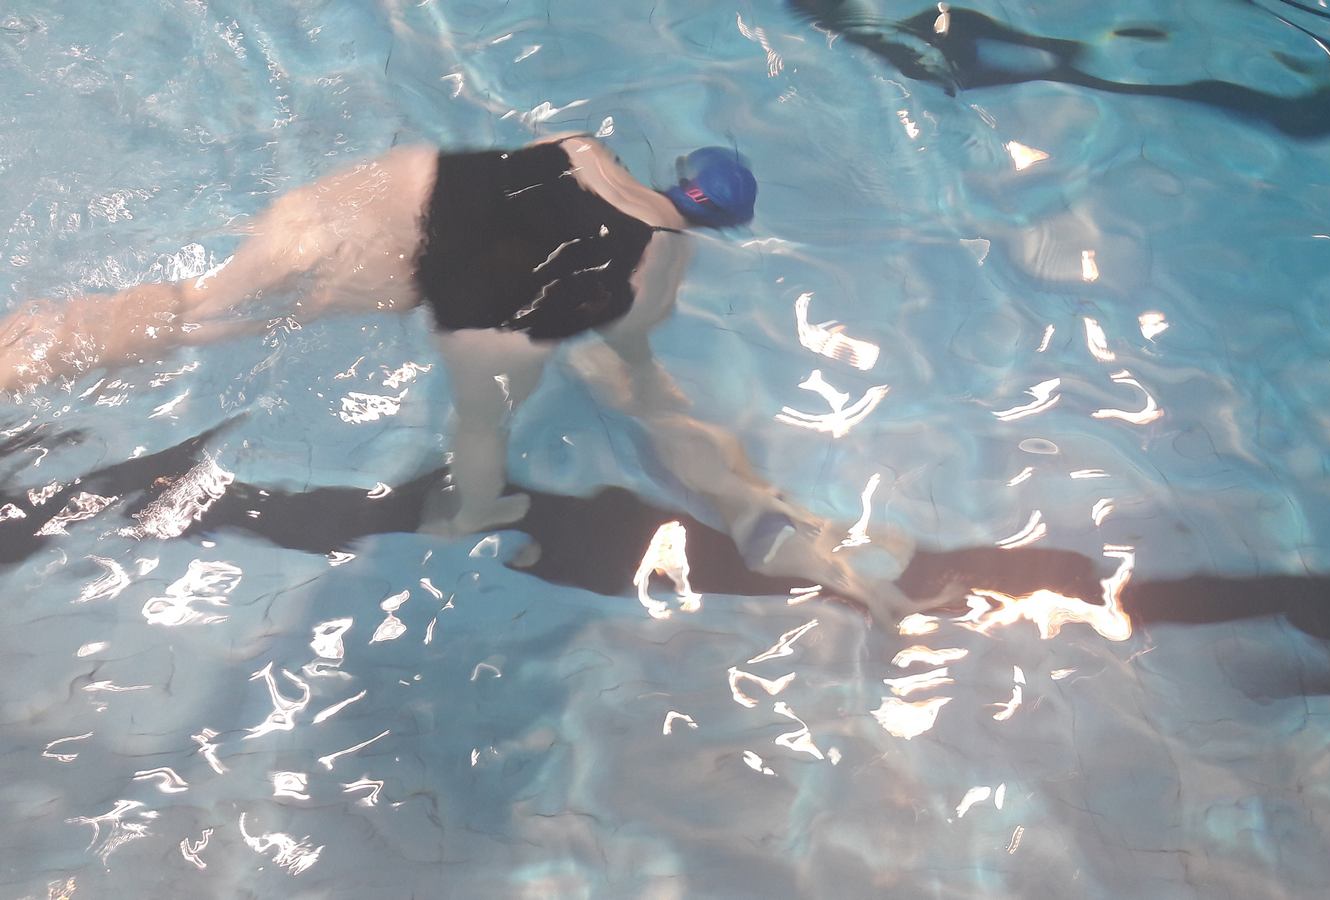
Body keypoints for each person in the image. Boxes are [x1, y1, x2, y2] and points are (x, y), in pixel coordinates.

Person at [0, 134, 921, 623]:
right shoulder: (659, 270)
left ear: (677, 170)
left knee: (198, 304)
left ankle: (24, 353)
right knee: (485, 424)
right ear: (715, 223)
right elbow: (632, 371)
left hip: (377, 201)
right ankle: (472, 509)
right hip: (437, 286)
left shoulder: (580, 145)